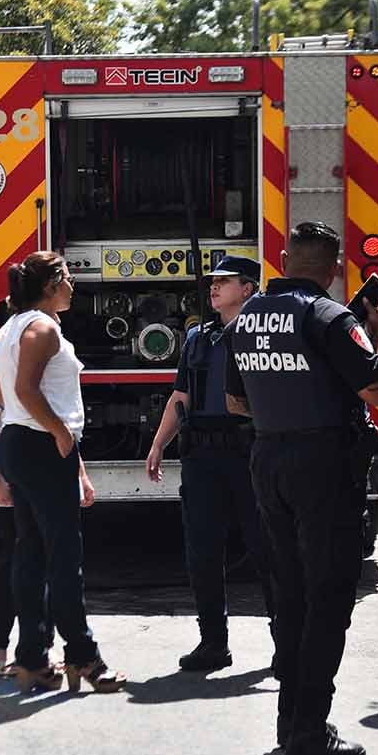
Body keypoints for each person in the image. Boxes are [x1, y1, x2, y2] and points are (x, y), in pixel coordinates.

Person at [223, 222, 378, 755]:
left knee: (290, 593)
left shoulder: (246, 318)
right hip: (322, 465)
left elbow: (234, 403)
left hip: (268, 459)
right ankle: (310, 731)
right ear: (337, 267)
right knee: (330, 597)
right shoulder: (331, 317)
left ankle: (290, 716)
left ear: (282, 258)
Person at [0, 251, 126, 694]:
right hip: (39, 446)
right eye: (67, 279)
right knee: (65, 561)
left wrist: (76, 462)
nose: (73, 286)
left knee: (31, 554)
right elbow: (25, 390)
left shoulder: (13, 325)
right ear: (50, 287)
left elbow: (17, 394)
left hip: (21, 443)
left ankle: (32, 658)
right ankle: (84, 658)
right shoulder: (42, 327)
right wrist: (59, 434)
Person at [146, 255, 275, 672]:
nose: (214, 287)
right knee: (202, 552)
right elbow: (181, 396)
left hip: (249, 453)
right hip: (202, 455)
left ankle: (285, 640)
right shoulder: (198, 338)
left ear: (249, 288)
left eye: (224, 281)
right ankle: (212, 642)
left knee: (266, 550)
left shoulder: (261, 335)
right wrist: (158, 444)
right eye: (213, 281)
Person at [0, 299, 62, 676]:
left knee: (29, 563)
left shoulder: (22, 359)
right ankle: (1, 647)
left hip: (27, 475)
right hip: (11, 479)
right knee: (17, 564)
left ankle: (30, 647)